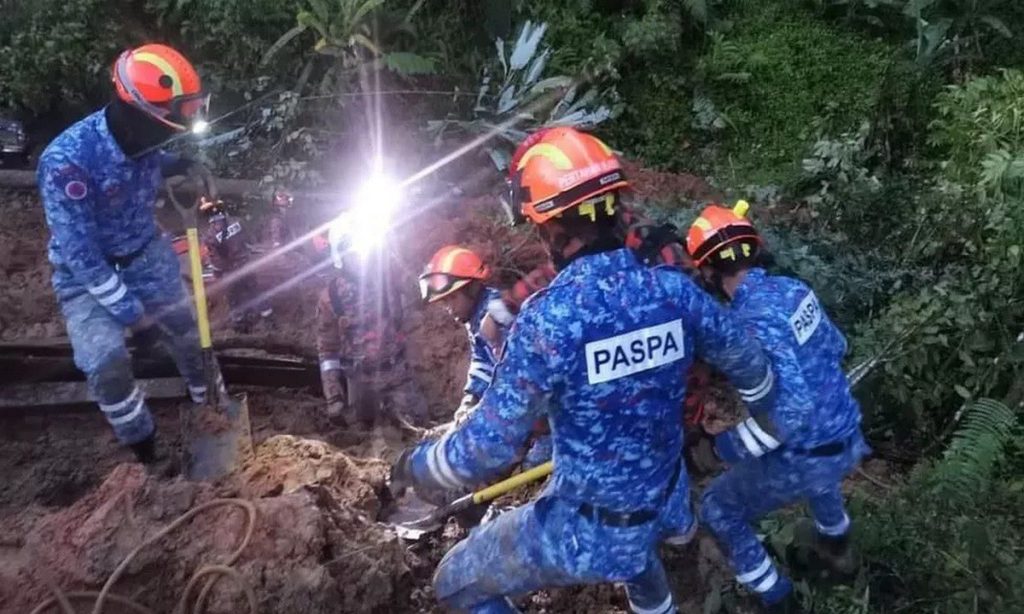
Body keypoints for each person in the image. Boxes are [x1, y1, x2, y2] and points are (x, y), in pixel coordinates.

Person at [390, 127, 778, 614]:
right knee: (644, 563)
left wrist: (416, 465)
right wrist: (754, 432)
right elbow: (752, 364)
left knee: (454, 583)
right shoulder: (675, 292)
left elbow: (484, 452)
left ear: (549, 228)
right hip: (670, 503)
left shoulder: (549, 320)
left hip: (590, 528)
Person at [684, 202, 869, 613]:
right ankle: (839, 556)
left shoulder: (749, 321)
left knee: (717, 507)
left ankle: (779, 600)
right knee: (822, 479)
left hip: (808, 453)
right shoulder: (794, 290)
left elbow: (792, 411)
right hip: (847, 433)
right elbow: (836, 346)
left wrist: (721, 450)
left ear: (708, 272)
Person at [37, 43, 213, 464]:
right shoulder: (67, 163)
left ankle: (208, 406)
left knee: (190, 333)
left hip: (146, 254)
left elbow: (149, 158)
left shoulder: (143, 137)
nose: (175, 131)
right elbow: (83, 258)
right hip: (87, 277)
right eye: (169, 125)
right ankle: (145, 449)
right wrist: (134, 315)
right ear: (135, 113)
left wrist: (180, 164)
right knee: (106, 363)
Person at [315, 213, 428, 428]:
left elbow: (418, 294)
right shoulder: (330, 297)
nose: (360, 257)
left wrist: (394, 257)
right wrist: (334, 397)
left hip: (397, 374)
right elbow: (327, 350)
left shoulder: (389, 273)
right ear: (341, 254)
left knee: (418, 426)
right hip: (360, 381)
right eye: (353, 251)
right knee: (364, 430)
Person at [199, 197, 272, 331]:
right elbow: (247, 240)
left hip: (230, 270)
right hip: (245, 264)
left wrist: (217, 272)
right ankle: (268, 318)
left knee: (234, 297)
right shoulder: (237, 223)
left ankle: (240, 324)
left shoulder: (210, 236)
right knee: (254, 291)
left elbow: (216, 260)